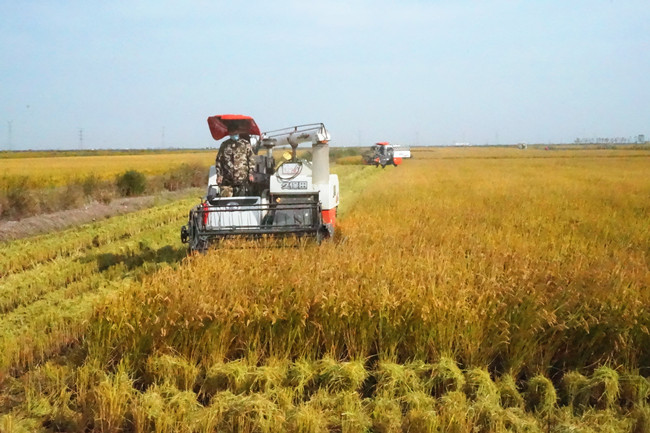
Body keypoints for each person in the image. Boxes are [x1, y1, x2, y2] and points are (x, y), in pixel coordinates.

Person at [215, 125, 256, 197]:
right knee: (226, 201)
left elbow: (251, 160)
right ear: (229, 133)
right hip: (227, 180)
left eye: (235, 133)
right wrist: (219, 175)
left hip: (242, 180)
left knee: (241, 201)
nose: (234, 135)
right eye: (232, 133)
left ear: (238, 132)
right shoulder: (224, 145)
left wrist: (251, 174)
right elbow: (219, 161)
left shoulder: (245, 144)